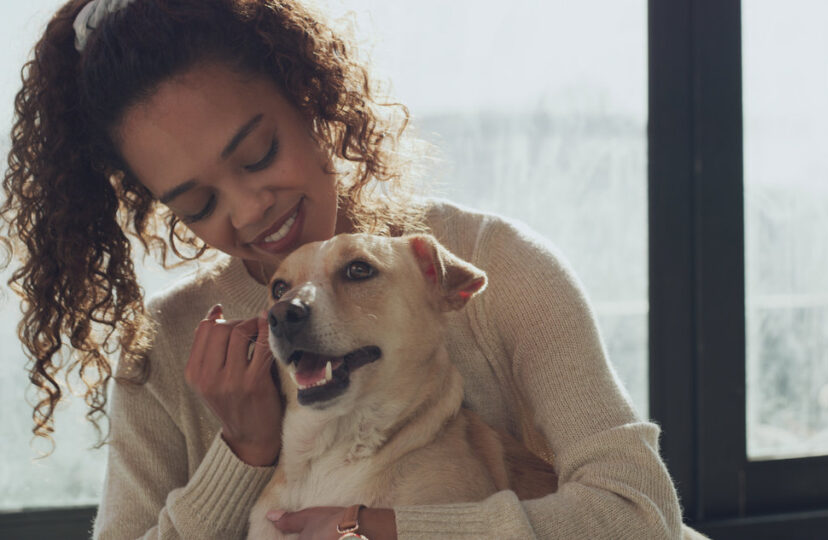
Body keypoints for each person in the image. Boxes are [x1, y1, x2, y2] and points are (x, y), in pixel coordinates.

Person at [1, 0, 706, 538]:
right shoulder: (163, 353)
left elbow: (638, 509)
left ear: (308, 96)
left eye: (258, 155)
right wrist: (243, 453)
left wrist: (384, 525)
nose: (249, 213)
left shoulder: (493, 264)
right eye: (198, 204)